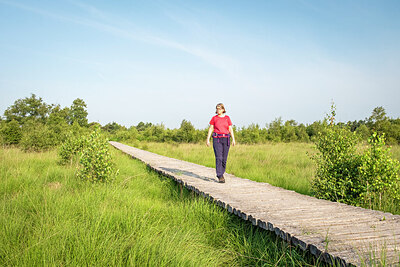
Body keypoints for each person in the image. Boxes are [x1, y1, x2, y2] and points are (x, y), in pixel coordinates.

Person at [206, 103, 236, 183]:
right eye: (217, 108)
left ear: (223, 109)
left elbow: (230, 129)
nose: (218, 110)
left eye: (219, 108)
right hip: (217, 139)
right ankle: (220, 175)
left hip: (226, 139)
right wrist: (208, 139)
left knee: (224, 159)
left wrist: (233, 139)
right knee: (219, 157)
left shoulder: (227, 118)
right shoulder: (214, 118)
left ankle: (222, 173)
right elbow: (211, 128)